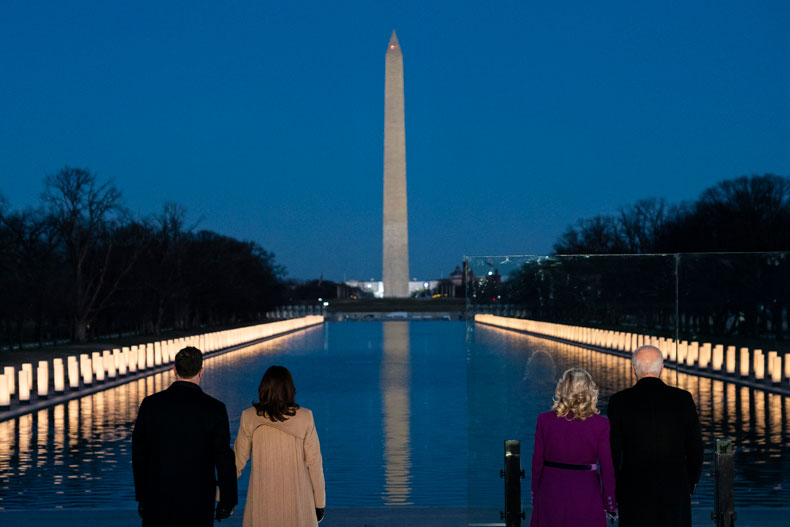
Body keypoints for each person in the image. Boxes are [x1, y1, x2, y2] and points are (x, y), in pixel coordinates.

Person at [132, 346, 238, 527]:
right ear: (201, 371)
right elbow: (223, 458)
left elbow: (139, 454)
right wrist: (227, 501)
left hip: (158, 496)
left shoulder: (151, 404)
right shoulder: (214, 408)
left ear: (174, 369)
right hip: (198, 498)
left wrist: (142, 497)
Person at [607, 345, 703, 527]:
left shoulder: (619, 401)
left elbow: (613, 452)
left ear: (634, 368)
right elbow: (695, 449)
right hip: (675, 490)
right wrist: (689, 483)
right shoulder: (683, 399)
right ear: (662, 368)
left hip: (634, 491)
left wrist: (616, 490)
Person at [234, 365, 326, 527]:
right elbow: (315, 464)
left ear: (263, 388)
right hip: (299, 501)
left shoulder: (249, 417)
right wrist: (319, 503)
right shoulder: (305, 418)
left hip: (262, 500)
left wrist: (223, 497)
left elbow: (237, 462)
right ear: (290, 389)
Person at [530, 368, 616, 527]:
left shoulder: (544, 420)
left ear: (563, 389)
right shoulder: (601, 424)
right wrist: (610, 504)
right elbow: (607, 469)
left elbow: (536, 464)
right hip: (586, 493)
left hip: (551, 491)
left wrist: (536, 495)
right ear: (589, 391)